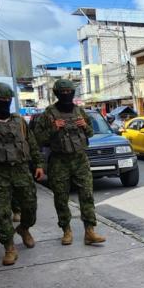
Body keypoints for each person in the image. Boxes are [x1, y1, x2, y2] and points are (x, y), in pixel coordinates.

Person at [0, 83, 45, 266]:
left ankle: (24, 228)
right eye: (0, 100)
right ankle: (9, 247)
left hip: (21, 170)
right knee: (2, 213)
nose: (4, 103)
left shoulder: (19, 122)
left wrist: (39, 164)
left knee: (30, 207)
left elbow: (32, 144)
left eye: (7, 100)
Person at [31, 79, 105, 246]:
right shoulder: (49, 113)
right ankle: (66, 230)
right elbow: (36, 140)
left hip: (80, 159)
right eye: (62, 92)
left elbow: (91, 133)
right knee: (61, 197)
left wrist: (84, 125)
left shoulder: (80, 111)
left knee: (86, 195)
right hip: (59, 161)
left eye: (69, 92)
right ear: (57, 94)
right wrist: (53, 128)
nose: (66, 95)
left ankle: (90, 231)